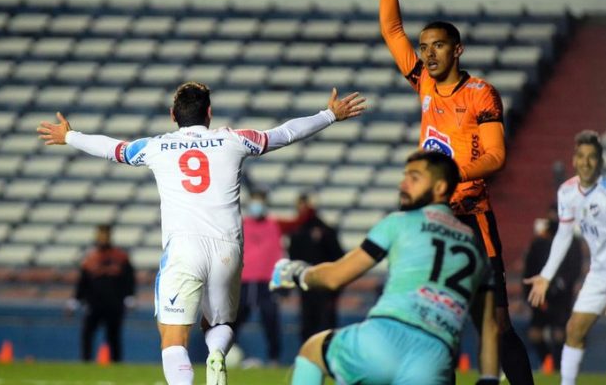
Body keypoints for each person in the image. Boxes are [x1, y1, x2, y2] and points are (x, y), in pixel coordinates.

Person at [37, 82, 366, 385]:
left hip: (184, 248)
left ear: (172, 115)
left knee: (172, 337)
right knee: (220, 324)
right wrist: (328, 115)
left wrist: (70, 136)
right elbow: (284, 133)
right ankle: (217, 355)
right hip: (228, 248)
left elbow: (114, 149)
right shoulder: (234, 139)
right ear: (209, 113)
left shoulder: (157, 147)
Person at [378, 0, 534, 384]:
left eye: (439, 46)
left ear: (457, 50)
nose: (428, 54)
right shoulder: (425, 86)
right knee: (429, 320)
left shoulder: (482, 94)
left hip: (472, 218)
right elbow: (392, 30)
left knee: (497, 324)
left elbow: (497, 157)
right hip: (432, 220)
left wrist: (452, 176)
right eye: (424, 47)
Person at [270, 151, 487, 385]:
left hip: (384, 337)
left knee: (313, 350)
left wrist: (297, 272)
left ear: (440, 187)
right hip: (435, 358)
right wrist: (489, 377)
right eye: (404, 176)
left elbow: (333, 277)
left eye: (414, 178)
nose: (403, 184)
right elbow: (490, 325)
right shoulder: (476, 245)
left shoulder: (399, 222)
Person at [524, 130, 606, 385]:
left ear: (599, 161)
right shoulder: (566, 192)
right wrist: (546, 275)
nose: (586, 162)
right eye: (581, 156)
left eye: (592, 157)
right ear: (574, 160)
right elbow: (564, 235)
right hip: (600, 273)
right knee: (574, 329)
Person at [522, 208, 583, 369]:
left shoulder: (572, 242)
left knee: (559, 332)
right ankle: (547, 360)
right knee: (535, 333)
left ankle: (557, 364)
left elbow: (575, 268)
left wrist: (560, 285)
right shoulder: (539, 242)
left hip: (561, 296)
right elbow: (530, 268)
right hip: (541, 294)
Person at [67, 224, 136, 362]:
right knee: (87, 334)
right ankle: (86, 362)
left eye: (105, 235)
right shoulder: (90, 258)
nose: (102, 238)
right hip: (94, 304)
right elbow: (83, 282)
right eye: (100, 235)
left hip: (114, 304)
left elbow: (129, 278)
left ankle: (116, 363)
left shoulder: (120, 257)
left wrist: (130, 296)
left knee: (113, 336)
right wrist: (75, 300)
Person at [286, 194, 344, 342]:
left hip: (324, 286)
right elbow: (293, 259)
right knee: (307, 323)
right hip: (306, 285)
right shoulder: (297, 231)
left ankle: (326, 356)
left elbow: (337, 257)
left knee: (325, 323)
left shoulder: (325, 231)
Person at [235, 190, 283, 365]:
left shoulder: (272, 226)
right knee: (234, 319)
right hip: (244, 280)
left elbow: (277, 252)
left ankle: (273, 357)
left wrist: (279, 280)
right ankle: (227, 352)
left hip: (266, 281)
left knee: (270, 320)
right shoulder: (242, 224)